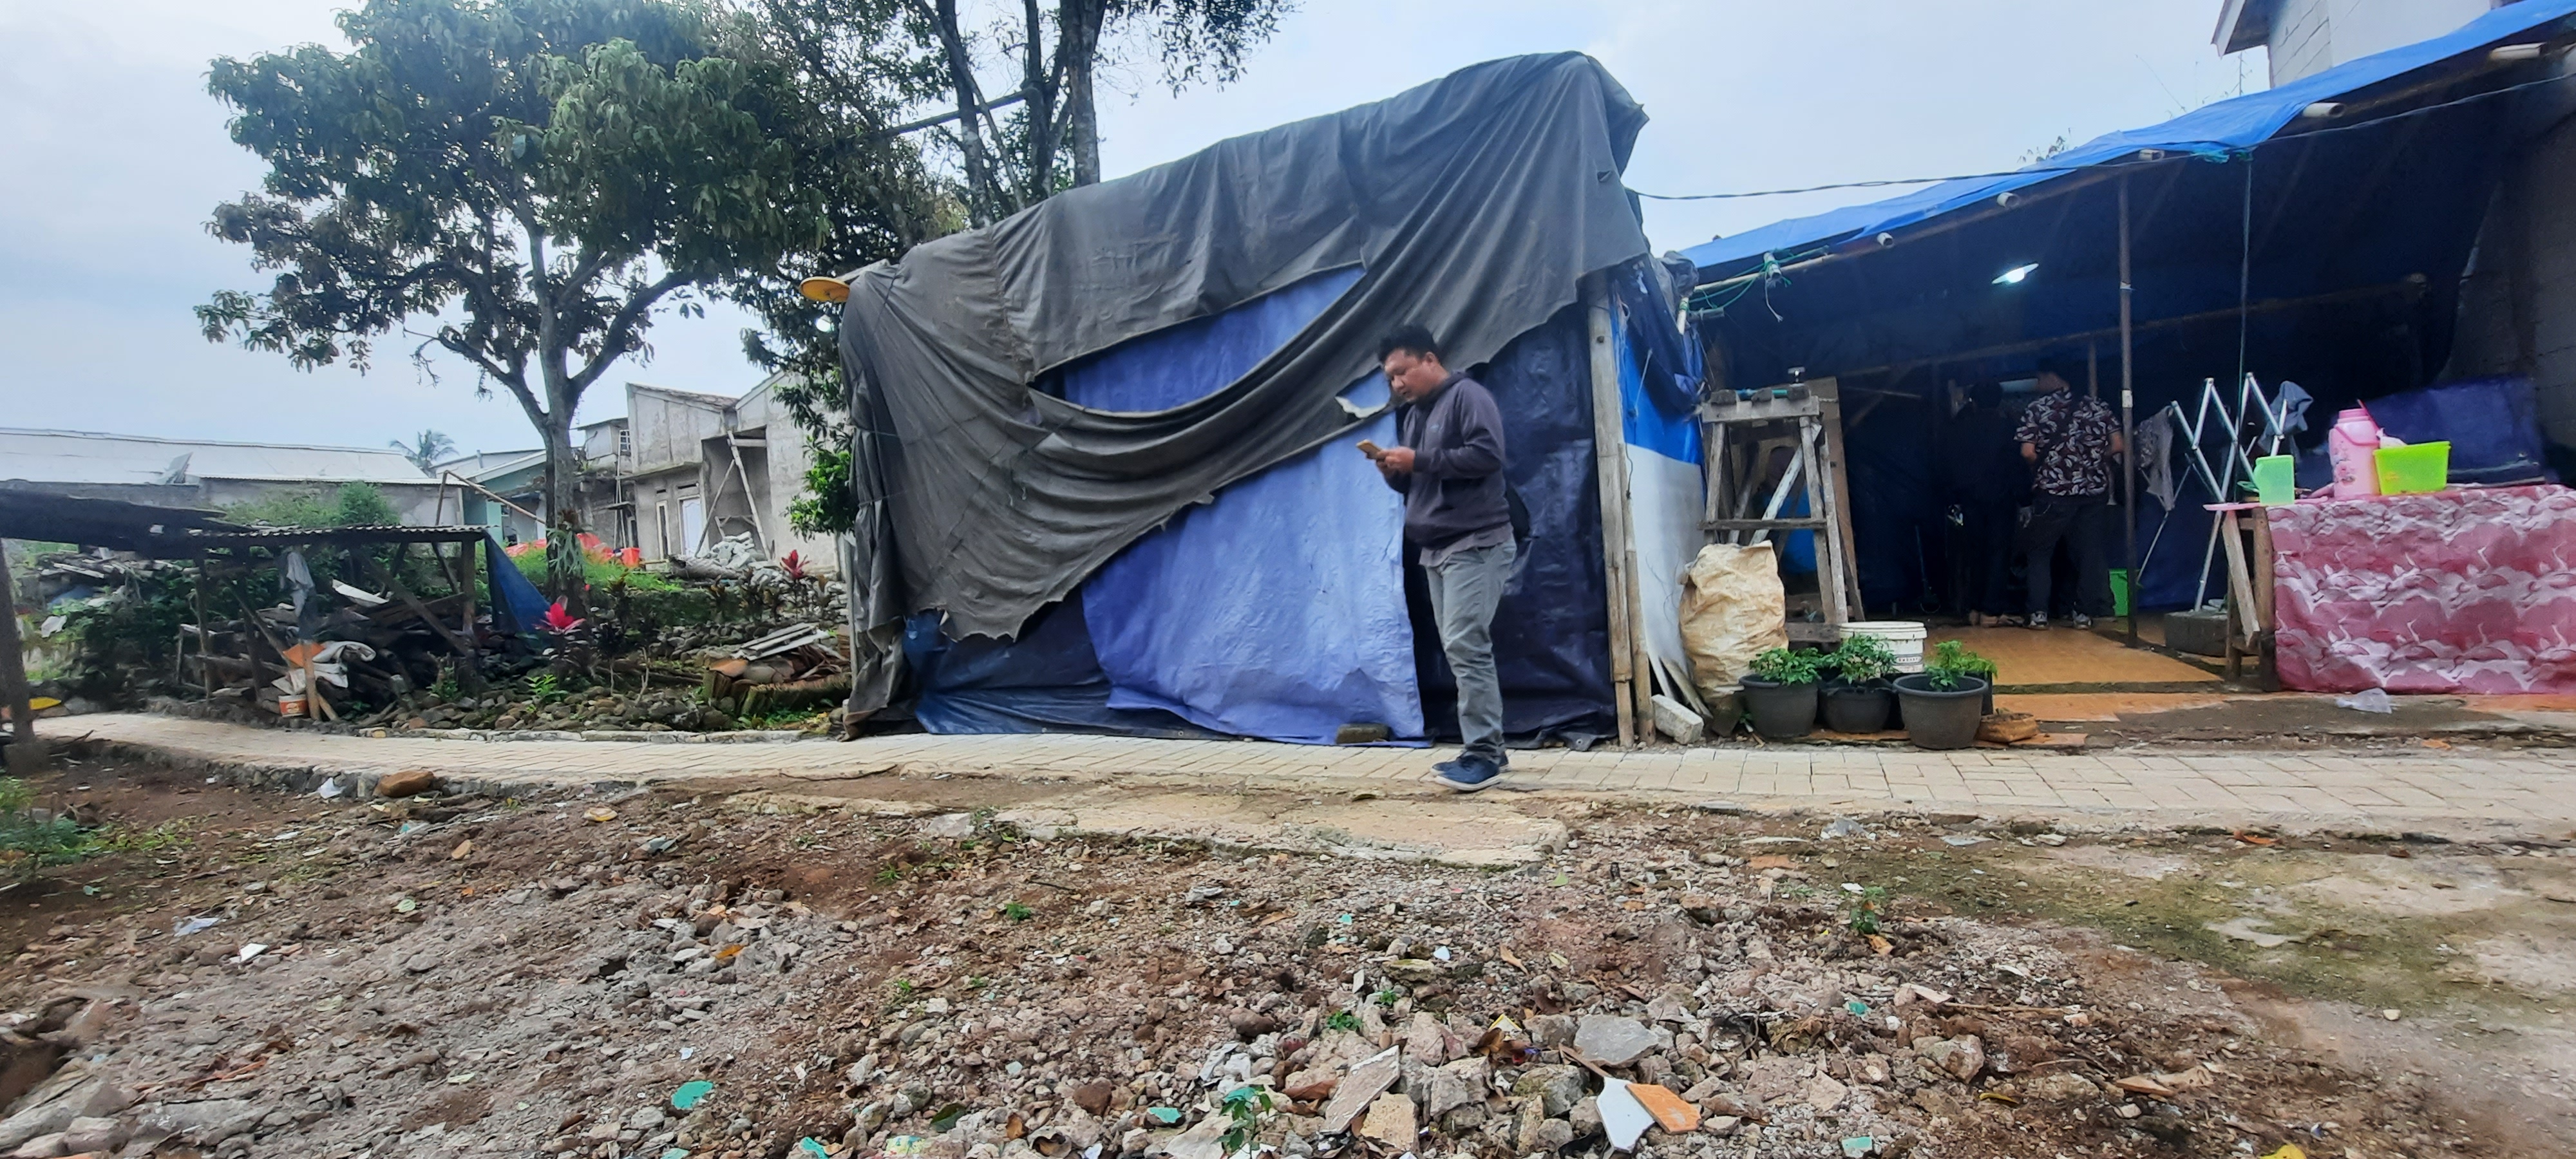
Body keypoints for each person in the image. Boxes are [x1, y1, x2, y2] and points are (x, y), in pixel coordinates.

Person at [1370, 325, 1516, 792]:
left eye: (1401, 372)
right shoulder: (1414, 416)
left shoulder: (1469, 396)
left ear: (1430, 360)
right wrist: (1395, 471)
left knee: (1465, 645)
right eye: (1390, 379)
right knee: (1461, 646)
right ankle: (1488, 747)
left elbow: (1488, 455)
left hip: (1476, 542)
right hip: (1436, 548)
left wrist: (1421, 461)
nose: (1397, 384)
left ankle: (1484, 754)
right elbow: (1420, 480)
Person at [2014, 357, 2123, 630]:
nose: (2039, 382)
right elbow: (2119, 445)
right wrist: (2094, 459)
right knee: (2087, 552)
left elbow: (2027, 451)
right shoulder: (2098, 407)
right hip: (2092, 492)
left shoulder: (2038, 408)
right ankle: (2083, 614)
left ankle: (2038, 614)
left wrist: (2047, 467)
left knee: (2040, 552)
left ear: (2056, 377)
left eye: (2041, 376)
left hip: (2052, 492)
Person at [1943, 382, 2024, 627]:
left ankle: (1974, 609)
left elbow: (1950, 465)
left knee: (1974, 553)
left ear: (1974, 402)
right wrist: (2025, 498)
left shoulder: (1960, 429)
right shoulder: (2008, 427)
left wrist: (1953, 497)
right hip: (2001, 498)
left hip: (1970, 499)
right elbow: (2016, 466)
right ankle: (1992, 611)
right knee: (1998, 554)